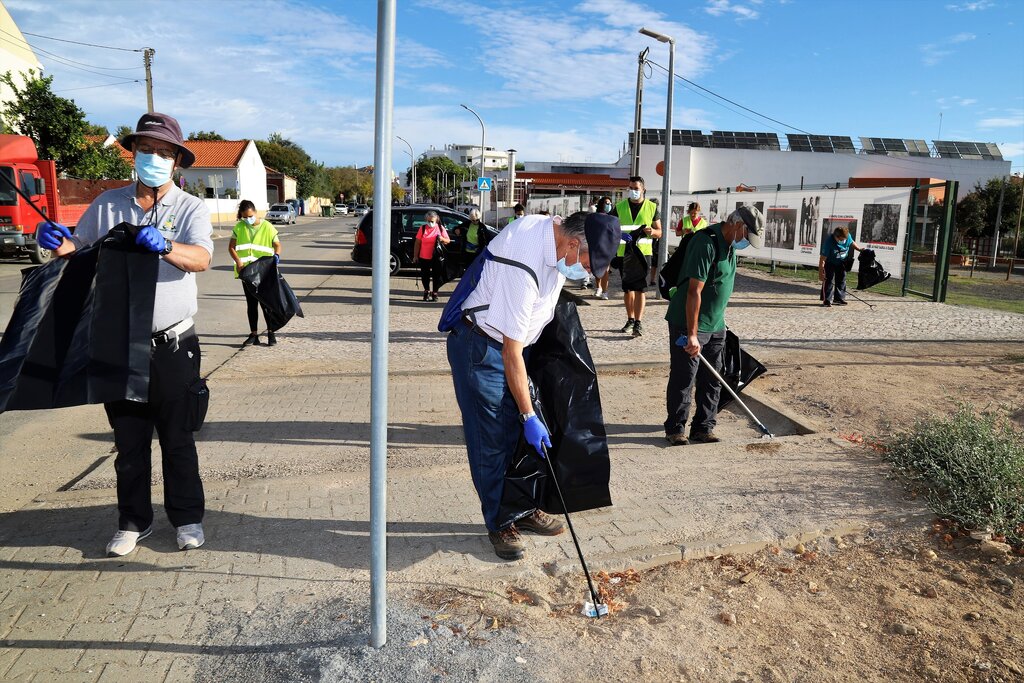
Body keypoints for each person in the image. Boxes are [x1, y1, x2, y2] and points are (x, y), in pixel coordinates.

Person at [38, 112, 214, 556]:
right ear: (133, 155)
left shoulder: (190, 208)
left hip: (173, 344)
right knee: (129, 443)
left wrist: (168, 246)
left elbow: (202, 259)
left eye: (164, 153)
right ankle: (134, 521)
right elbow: (80, 251)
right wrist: (57, 243)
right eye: (146, 150)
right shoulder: (108, 203)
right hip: (120, 344)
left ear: (177, 162)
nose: (154, 158)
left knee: (178, 439)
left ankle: (188, 518)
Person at [447, 211, 621, 560]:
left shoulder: (554, 235)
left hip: (511, 346)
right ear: (573, 244)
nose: (586, 274)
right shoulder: (521, 264)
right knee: (492, 440)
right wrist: (529, 416)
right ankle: (499, 522)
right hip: (483, 349)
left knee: (515, 439)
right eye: (587, 265)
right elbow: (510, 352)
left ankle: (521, 507)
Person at [664, 206, 764, 446]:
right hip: (689, 323)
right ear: (738, 225)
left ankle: (703, 427)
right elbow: (694, 292)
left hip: (716, 324)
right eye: (747, 236)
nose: (746, 243)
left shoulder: (730, 247)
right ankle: (676, 429)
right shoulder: (705, 243)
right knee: (684, 377)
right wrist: (692, 334)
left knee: (713, 378)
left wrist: (721, 320)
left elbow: (720, 286)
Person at [229, 200, 282, 346]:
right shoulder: (239, 227)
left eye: (250, 216)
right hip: (246, 272)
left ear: (255, 212)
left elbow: (277, 245)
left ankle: (271, 333)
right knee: (251, 304)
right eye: (244, 217)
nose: (248, 219)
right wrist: (239, 262)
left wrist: (276, 257)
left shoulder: (267, 226)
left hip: (264, 272)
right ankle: (254, 334)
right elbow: (231, 247)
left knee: (266, 304)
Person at [614, 176, 662, 337]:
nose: (633, 191)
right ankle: (630, 319)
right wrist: (619, 234)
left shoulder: (652, 207)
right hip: (624, 253)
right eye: (631, 188)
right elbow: (610, 228)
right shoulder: (619, 207)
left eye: (636, 188)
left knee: (640, 289)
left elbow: (659, 232)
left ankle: (638, 323)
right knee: (628, 289)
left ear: (643, 189)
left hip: (643, 253)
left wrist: (652, 232)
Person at [412, 210, 450, 301]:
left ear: (436, 220)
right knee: (425, 275)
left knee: (436, 275)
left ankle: (435, 292)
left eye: (432, 221)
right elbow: (417, 243)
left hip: (436, 257)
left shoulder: (440, 228)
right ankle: (426, 291)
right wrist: (415, 256)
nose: (430, 223)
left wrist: (441, 239)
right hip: (424, 256)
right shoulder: (423, 228)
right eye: (428, 221)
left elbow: (448, 241)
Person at [819, 225, 861, 307]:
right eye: (841, 240)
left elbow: (851, 242)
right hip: (830, 262)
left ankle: (839, 298)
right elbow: (822, 259)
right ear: (836, 237)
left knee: (842, 279)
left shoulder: (847, 236)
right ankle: (826, 300)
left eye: (845, 239)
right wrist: (820, 273)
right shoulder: (829, 242)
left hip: (842, 261)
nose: (844, 241)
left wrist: (859, 249)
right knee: (828, 280)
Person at [593, 196, 615, 299]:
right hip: (597, 246)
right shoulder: (595, 217)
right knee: (598, 269)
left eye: (610, 203)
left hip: (608, 246)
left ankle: (605, 291)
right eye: (607, 203)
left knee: (606, 269)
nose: (609, 205)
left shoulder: (612, 218)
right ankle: (598, 287)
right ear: (602, 204)